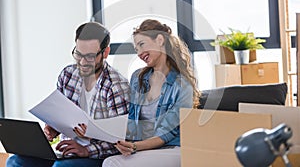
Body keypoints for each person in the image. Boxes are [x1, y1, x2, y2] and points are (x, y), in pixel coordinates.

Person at [6, 22, 130, 167]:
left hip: (96, 156)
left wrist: (86, 150)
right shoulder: (68, 74)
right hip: (66, 151)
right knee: (15, 161)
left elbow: (124, 140)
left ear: (106, 52)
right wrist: (52, 129)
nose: (82, 62)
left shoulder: (116, 86)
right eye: (78, 54)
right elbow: (60, 114)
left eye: (90, 56)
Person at [102, 19, 200, 167]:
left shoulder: (182, 85)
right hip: (142, 148)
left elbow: (167, 133)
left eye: (142, 45)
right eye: (136, 49)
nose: (139, 53)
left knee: (112, 164)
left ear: (160, 40)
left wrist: (136, 147)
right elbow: (131, 121)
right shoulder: (138, 78)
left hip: (173, 149)